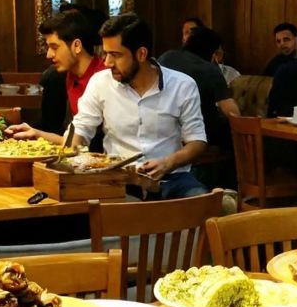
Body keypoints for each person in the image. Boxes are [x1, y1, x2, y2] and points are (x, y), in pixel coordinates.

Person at [69, 14, 208, 199]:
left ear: (141, 54)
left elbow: (197, 142)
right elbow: (80, 129)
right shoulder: (100, 82)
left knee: (204, 202)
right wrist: (71, 155)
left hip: (171, 178)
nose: (107, 62)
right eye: (105, 53)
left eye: (115, 55)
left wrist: (167, 163)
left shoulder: (182, 85)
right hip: (119, 179)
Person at [5, 11, 106, 142]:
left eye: (54, 47)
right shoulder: (67, 75)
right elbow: (74, 141)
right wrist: (35, 133)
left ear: (77, 46)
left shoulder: (106, 76)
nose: (49, 54)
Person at [159, 24, 240, 152]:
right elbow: (230, 110)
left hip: (164, 128)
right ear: (212, 51)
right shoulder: (210, 70)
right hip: (198, 132)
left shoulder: (166, 57)